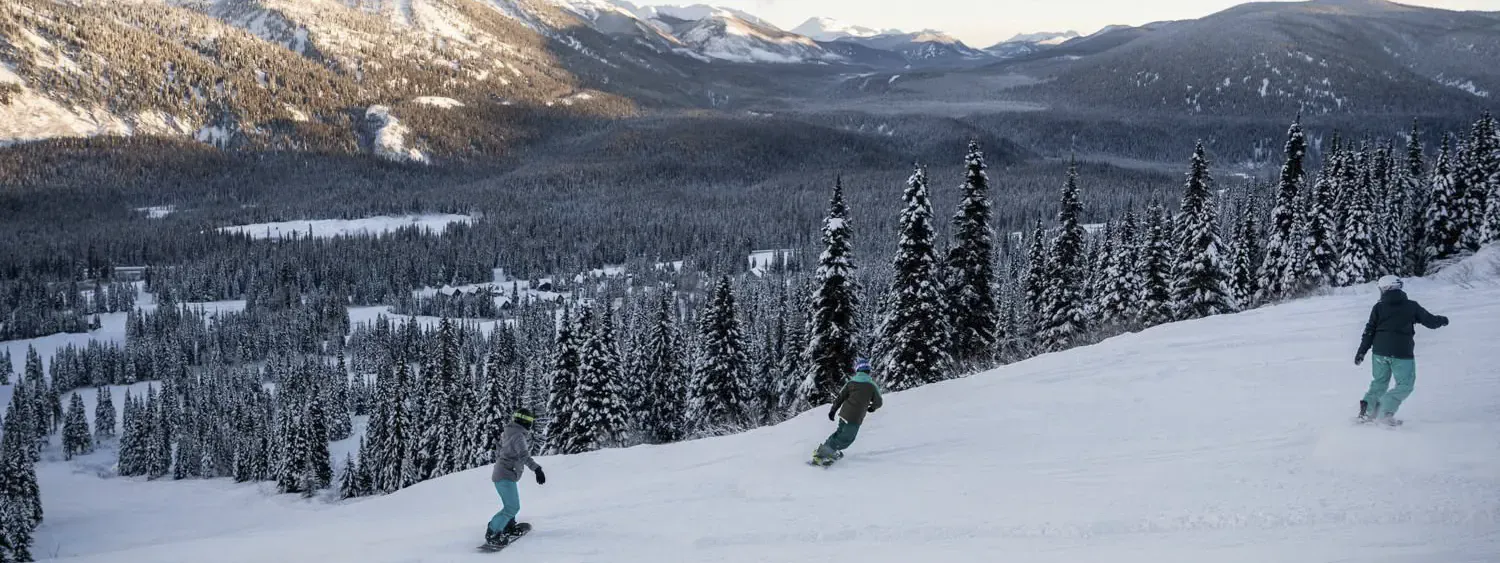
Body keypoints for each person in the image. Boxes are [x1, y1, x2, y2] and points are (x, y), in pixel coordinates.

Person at [1354, 275, 1449, 425]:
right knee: (1405, 385)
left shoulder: (1378, 307)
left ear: (1385, 289)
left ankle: (1367, 410)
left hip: (1379, 353)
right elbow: (1430, 321)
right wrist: (1442, 320)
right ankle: (1385, 412)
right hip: (1401, 353)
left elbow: (1369, 331)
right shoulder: (1411, 306)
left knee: (1379, 382)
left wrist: (1361, 351)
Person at [485, 408, 546, 546]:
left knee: (510, 505)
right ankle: (493, 532)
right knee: (512, 507)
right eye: (530, 421)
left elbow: (500, 449)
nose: (530, 425)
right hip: (505, 475)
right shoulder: (518, 436)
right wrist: (537, 469)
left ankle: (508, 525)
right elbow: (524, 456)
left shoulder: (510, 431)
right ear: (525, 421)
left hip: (504, 473)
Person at [813, 358, 883, 463]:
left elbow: (840, 397)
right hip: (854, 417)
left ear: (858, 371)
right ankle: (824, 453)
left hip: (844, 414)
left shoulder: (851, 383)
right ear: (868, 371)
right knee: (846, 439)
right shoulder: (871, 385)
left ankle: (826, 449)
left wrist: (833, 411)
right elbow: (879, 402)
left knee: (839, 433)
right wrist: (872, 408)